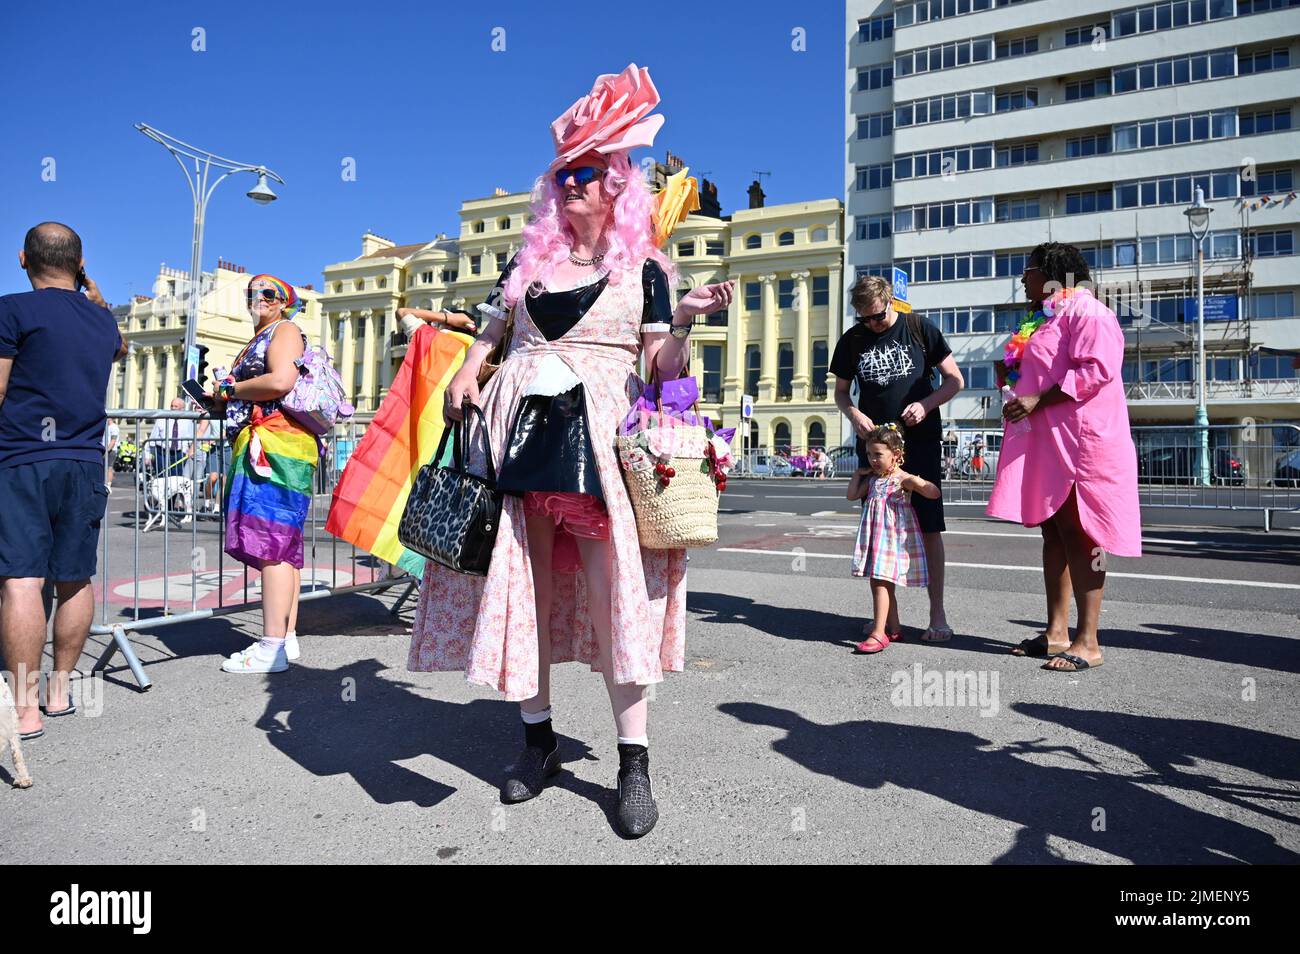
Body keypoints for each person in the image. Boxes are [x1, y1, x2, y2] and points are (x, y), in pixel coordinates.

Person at [411, 64, 733, 838]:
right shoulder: (525, 266)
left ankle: (634, 764)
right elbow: (487, 334)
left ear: (619, 184)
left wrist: (683, 320)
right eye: (564, 175)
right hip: (516, 439)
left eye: (588, 173)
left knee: (615, 591)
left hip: (598, 448)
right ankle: (538, 743)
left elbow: (664, 374)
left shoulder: (648, 270)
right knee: (525, 594)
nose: (573, 186)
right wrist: (465, 375)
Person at [987, 242, 1141, 672]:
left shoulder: (1090, 312)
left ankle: (1088, 640)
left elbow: (1096, 369)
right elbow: (1043, 368)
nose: (1023, 279)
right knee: (1054, 532)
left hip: (1082, 440)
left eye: (1029, 270)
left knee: (1083, 534)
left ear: (1053, 272)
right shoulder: (1044, 317)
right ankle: (1057, 633)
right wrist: (1014, 377)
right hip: (1049, 440)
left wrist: (1037, 398)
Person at [0, 222, 125, 740]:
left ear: (24, 259)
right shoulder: (102, 325)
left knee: (22, 579)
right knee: (74, 577)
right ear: (80, 264)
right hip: (83, 462)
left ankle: (24, 709)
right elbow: (117, 346)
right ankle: (59, 691)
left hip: (23, 457)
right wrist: (92, 293)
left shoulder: (12, 309)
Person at [831, 274, 963, 643]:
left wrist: (926, 403)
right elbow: (842, 392)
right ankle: (889, 621)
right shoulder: (853, 340)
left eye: (878, 316)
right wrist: (853, 413)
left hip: (918, 443)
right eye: (865, 319)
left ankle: (937, 615)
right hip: (876, 448)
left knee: (928, 526)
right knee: (880, 530)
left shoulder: (920, 328)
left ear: (891, 302)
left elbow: (954, 380)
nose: (872, 324)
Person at [207, 274, 319, 673]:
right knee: (281, 548)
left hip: (274, 446)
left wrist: (229, 391)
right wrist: (224, 397)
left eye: (269, 294)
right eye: (252, 293)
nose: (259, 298)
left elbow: (280, 380)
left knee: (271, 544)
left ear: (284, 302)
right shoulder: (261, 336)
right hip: (271, 445)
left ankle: (272, 646)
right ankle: (283, 640)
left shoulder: (284, 329)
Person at [847, 425, 941, 653]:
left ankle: (879, 633)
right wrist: (857, 475)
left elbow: (933, 493)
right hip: (876, 539)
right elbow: (851, 495)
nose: (873, 460)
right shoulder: (873, 480)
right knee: (880, 583)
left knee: (880, 583)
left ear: (896, 455)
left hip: (891, 541)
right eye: (869, 454)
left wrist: (917, 482)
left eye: (878, 454)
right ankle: (894, 627)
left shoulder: (901, 479)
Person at [104, 418, 120, 489]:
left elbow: (113, 441)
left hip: (111, 450)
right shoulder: (107, 427)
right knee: (105, 468)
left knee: (109, 468)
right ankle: (105, 483)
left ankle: (108, 485)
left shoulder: (114, 427)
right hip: (106, 450)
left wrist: (107, 450)